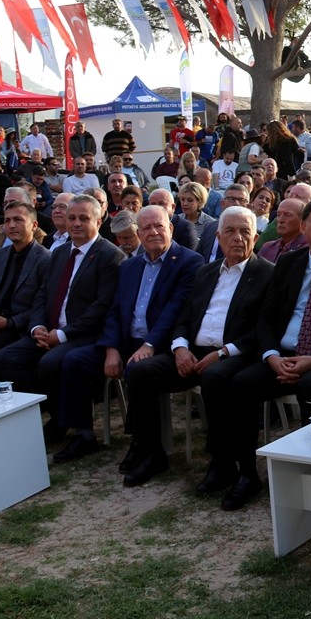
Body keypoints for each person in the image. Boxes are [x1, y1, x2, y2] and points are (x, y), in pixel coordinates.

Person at [207, 196, 311, 510]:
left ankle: (310, 473)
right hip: (283, 355)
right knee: (242, 383)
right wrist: (272, 356)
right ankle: (247, 473)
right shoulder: (288, 263)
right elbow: (266, 318)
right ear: (304, 226)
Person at [119, 207, 275, 487]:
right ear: (218, 237)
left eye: (245, 232)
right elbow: (184, 318)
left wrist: (223, 353)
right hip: (193, 352)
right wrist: (179, 347)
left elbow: (263, 328)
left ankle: (222, 462)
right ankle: (152, 452)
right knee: (141, 372)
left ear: (256, 237)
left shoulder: (267, 274)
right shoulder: (206, 272)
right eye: (230, 231)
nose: (237, 238)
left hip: (236, 353)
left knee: (215, 376)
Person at [50, 206, 203, 464]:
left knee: (137, 369)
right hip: (126, 341)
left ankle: (141, 442)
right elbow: (114, 310)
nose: (153, 232)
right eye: (146, 228)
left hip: (163, 343)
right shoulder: (129, 266)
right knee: (74, 361)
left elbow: (175, 311)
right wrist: (111, 348)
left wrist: (150, 345)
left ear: (170, 228)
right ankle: (84, 435)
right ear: (139, 234)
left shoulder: (189, 262)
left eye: (159, 226)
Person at [0, 194, 125, 443]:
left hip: (85, 335)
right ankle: (56, 412)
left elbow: (102, 307)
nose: (76, 223)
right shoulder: (60, 252)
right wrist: (37, 327)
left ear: (98, 221)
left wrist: (62, 335)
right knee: (4, 359)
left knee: (50, 363)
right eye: (72, 218)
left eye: (83, 218)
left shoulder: (110, 256)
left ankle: (71, 425)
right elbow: (43, 294)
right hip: (49, 331)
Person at [0, 200, 51, 383]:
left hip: (17, 327)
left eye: (18, 220)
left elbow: (43, 306)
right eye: (7, 220)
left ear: (34, 225)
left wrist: (9, 322)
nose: (11, 225)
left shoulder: (45, 259)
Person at [257, 198, 309, 262]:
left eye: (287, 215)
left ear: (302, 220)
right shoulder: (268, 248)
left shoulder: (309, 251)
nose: (280, 220)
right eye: (278, 215)